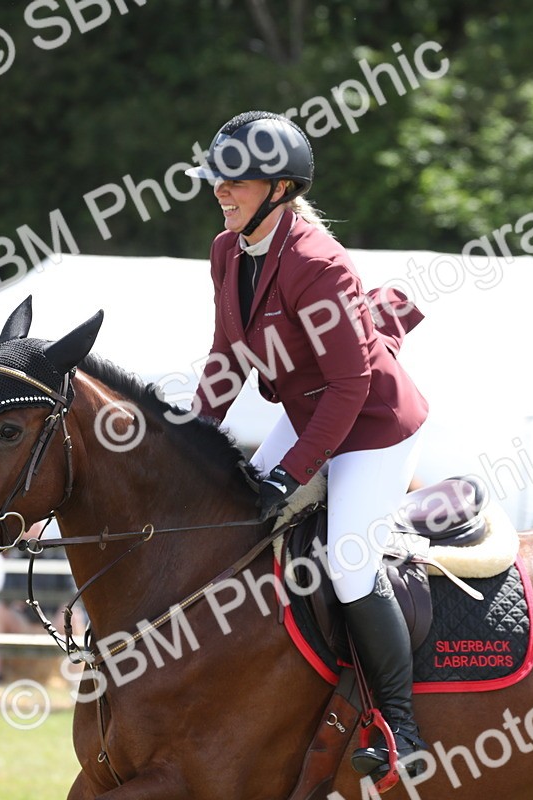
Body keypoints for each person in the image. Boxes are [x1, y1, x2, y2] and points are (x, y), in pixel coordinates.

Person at [186, 111, 430, 780]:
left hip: (374, 424)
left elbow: (352, 387)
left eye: (235, 183)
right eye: (218, 182)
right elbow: (227, 357)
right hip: (309, 408)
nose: (221, 192)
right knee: (235, 529)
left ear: (281, 189)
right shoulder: (226, 250)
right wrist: (191, 436)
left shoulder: (318, 261)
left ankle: (400, 723)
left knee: (350, 565)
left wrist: (290, 475)